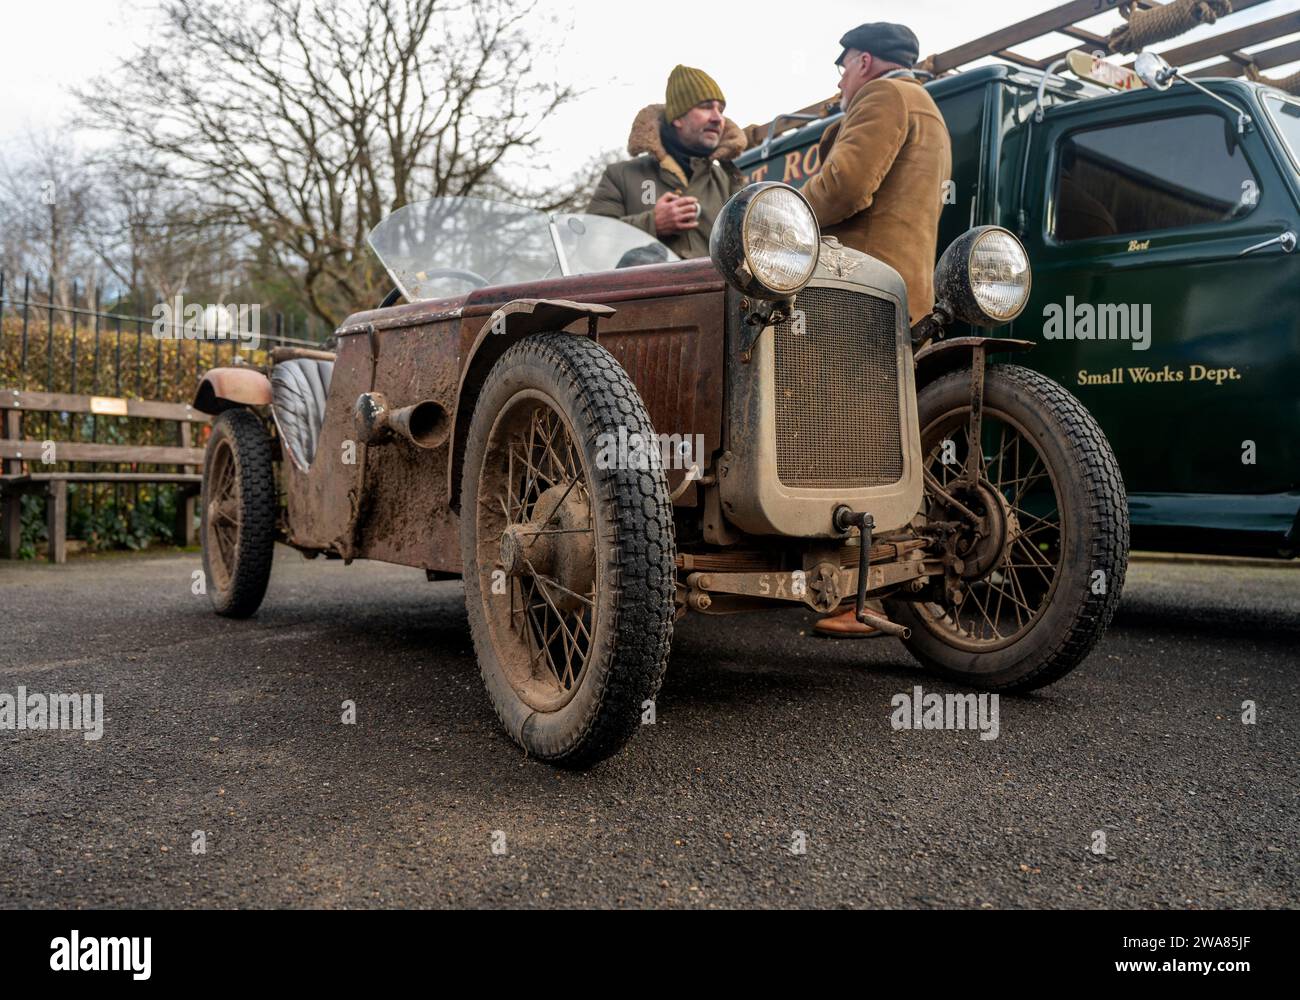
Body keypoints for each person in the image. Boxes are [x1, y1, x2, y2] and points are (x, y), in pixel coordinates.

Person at [802, 23, 953, 639]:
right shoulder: (929, 107)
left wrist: (780, 209)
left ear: (864, 61)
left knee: (839, 445)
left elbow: (846, 186)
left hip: (853, 294)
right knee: (877, 441)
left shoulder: (884, 98)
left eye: (842, 67)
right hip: (901, 293)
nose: (839, 80)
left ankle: (844, 597)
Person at [586, 65, 748, 259]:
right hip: (647, 289)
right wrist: (652, 223)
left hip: (716, 290)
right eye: (705, 107)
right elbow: (588, 244)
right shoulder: (620, 176)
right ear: (678, 118)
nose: (717, 118)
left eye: (720, 110)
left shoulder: (730, 184)